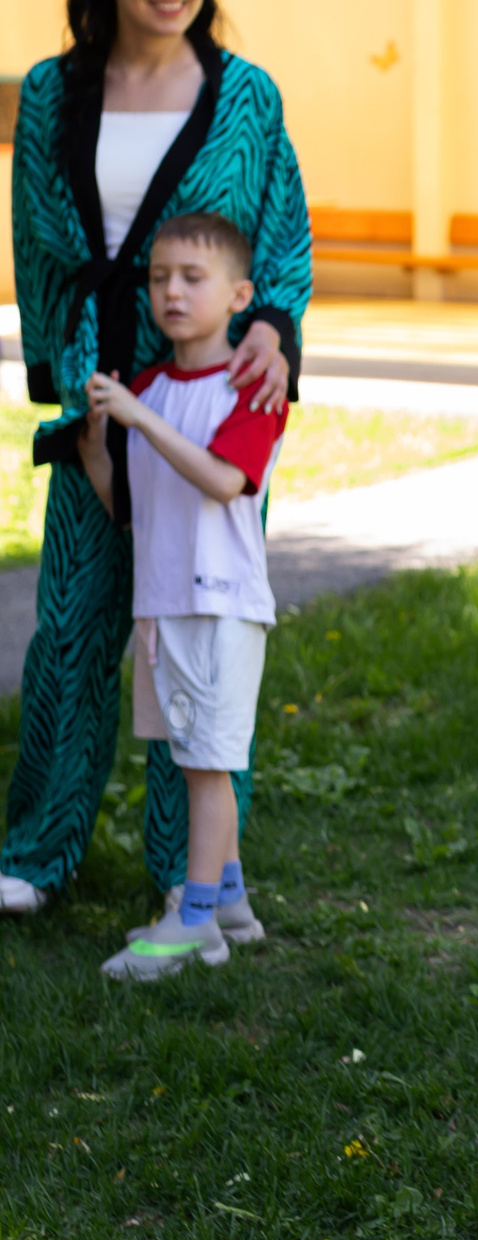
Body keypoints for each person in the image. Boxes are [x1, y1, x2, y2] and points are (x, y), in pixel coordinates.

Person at [4, 0, 308, 918]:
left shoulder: (248, 97)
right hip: (103, 391)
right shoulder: (52, 93)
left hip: (208, 399)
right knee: (74, 623)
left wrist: (275, 331)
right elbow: (35, 246)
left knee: (199, 629)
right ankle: (38, 849)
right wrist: (62, 378)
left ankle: (196, 870)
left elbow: (282, 237)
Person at [85, 210, 282, 979]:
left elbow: (225, 481)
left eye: (192, 278)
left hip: (220, 604)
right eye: (160, 276)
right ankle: (229, 901)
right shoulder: (149, 386)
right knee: (191, 756)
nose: (171, 291)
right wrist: (103, 450)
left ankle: (193, 923)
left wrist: (138, 418)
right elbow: (133, 512)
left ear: (239, 296)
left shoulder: (254, 389)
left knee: (207, 768)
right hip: (163, 606)